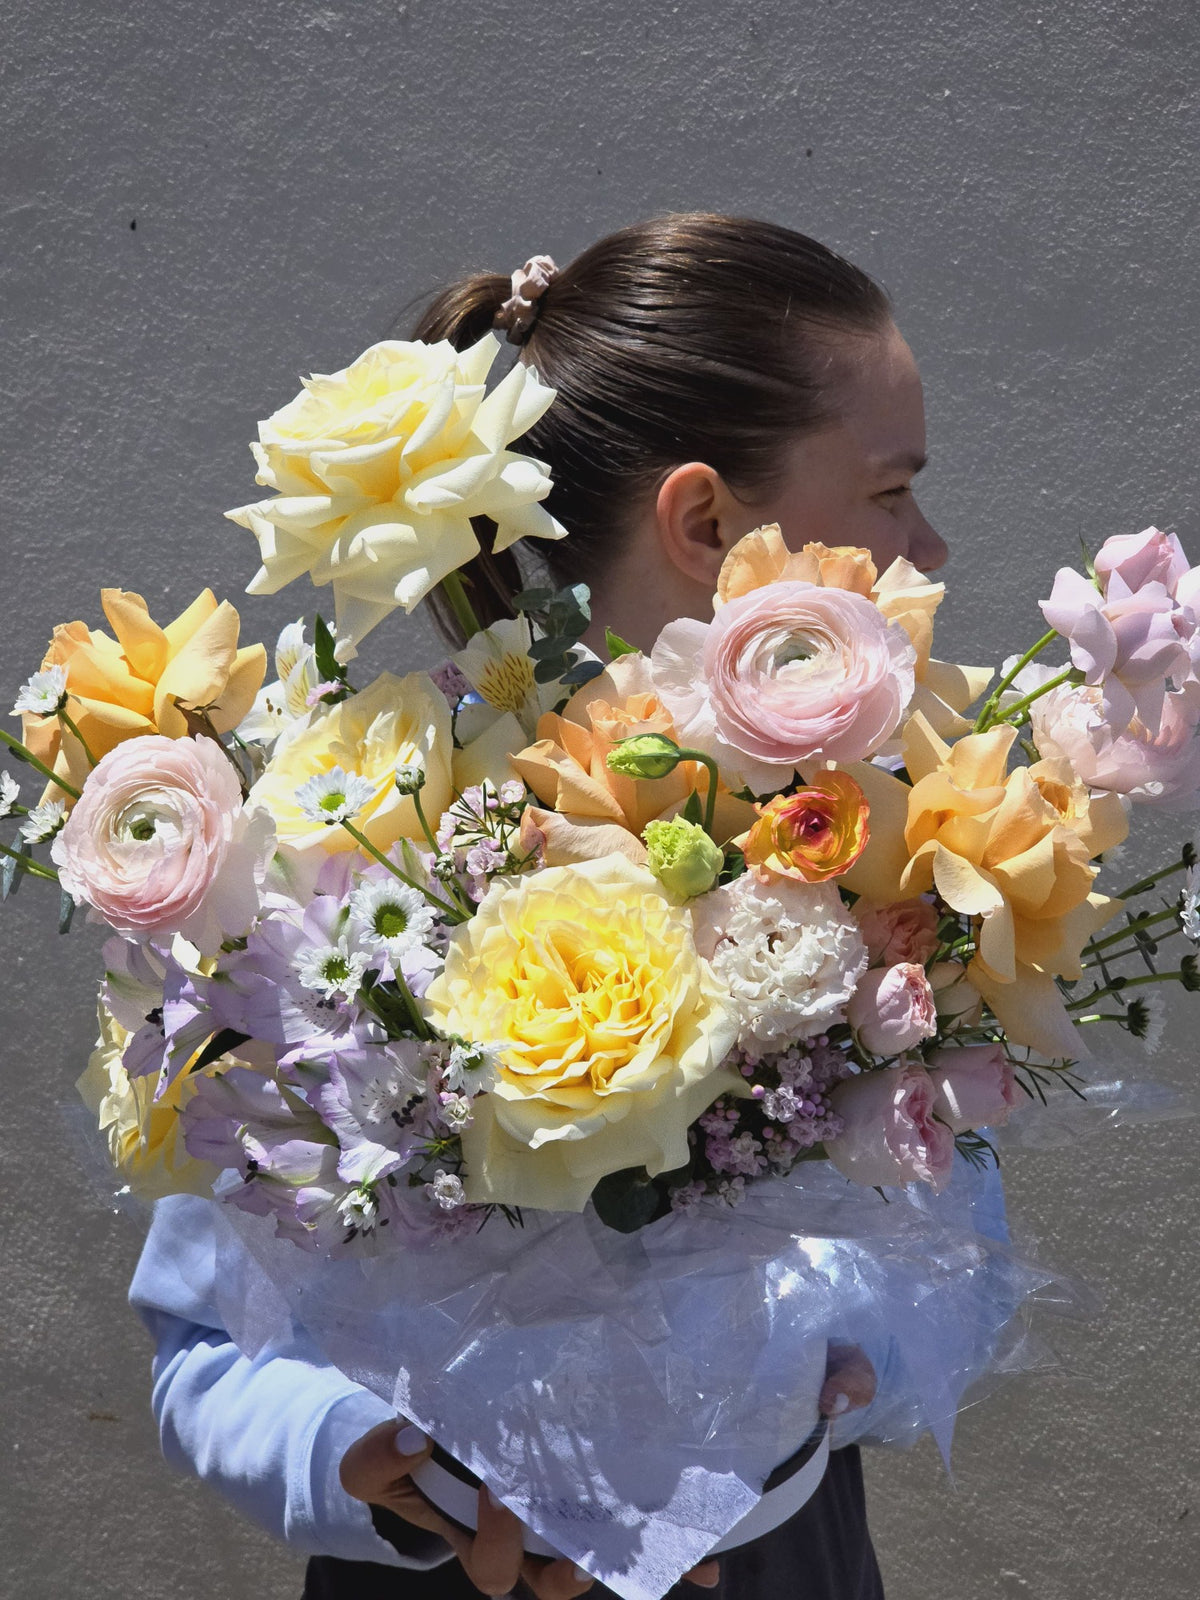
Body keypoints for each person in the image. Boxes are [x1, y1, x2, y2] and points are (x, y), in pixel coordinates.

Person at [130, 213, 1004, 1600]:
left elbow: (957, 1207)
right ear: (709, 522)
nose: (935, 545)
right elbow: (206, 1341)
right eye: (894, 490)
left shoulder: (874, 839)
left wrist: (860, 1355)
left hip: (777, 1559)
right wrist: (370, 1459)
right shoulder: (363, 838)